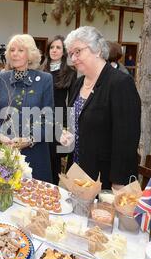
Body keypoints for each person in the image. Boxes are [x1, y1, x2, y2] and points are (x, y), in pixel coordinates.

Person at [60, 26, 141, 190]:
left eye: (78, 51)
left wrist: (119, 182)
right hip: (76, 171)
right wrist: (68, 135)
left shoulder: (120, 83)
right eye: (71, 54)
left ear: (97, 50)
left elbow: (127, 139)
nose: (73, 58)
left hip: (104, 178)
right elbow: (78, 122)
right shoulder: (78, 83)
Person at [0, 34, 54, 183]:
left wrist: (30, 139)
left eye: (20, 50)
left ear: (30, 54)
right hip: (6, 151)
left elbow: (49, 119)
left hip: (35, 153)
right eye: (12, 50)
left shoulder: (45, 80)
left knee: (35, 201)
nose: (14, 53)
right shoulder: (2, 78)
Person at [42, 35, 78, 185]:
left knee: (55, 159)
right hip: (40, 119)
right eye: (51, 47)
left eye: (58, 47)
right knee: (42, 157)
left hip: (59, 120)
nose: (54, 50)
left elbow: (72, 101)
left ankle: (53, 191)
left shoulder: (70, 72)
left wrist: (68, 126)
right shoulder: (41, 71)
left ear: (64, 51)